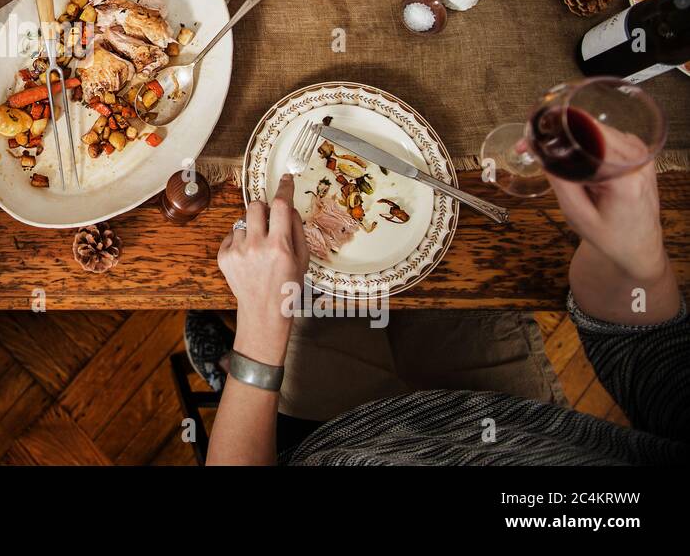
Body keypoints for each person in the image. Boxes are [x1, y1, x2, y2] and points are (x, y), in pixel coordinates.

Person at [197, 154, 688, 465]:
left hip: (325, 434)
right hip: (500, 410)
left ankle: (230, 373)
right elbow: (653, 358)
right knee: (455, 252)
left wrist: (261, 326)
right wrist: (634, 259)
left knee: (304, 307)